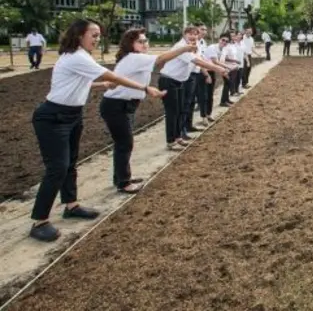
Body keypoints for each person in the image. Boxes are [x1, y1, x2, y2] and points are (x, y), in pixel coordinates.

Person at [29, 19, 166, 242]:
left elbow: (78, 82)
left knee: (71, 162)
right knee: (57, 167)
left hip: (72, 115)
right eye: (93, 34)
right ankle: (39, 220)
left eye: (99, 35)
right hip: (52, 117)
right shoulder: (76, 56)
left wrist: (99, 86)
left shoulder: (80, 57)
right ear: (79, 34)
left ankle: (71, 205)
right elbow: (110, 75)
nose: (97, 38)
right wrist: (144, 87)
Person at [101, 28, 196, 194]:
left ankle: (122, 177)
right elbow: (160, 59)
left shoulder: (136, 58)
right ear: (130, 44)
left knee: (123, 144)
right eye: (141, 41)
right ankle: (123, 182)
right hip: (116, 105)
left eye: (146, 41)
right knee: (125, 143)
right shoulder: (134, 58)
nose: (145, 44)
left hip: (124, 105)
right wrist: (184, 49)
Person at [158, 26, 229, 151]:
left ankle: (178, 137)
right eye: (190, 34)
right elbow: (197, 61)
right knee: (172, 113)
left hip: (179, 81)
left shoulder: (193, 48)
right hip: (168, 80)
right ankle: (170, 141)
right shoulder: (182, 47)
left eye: (195, 34)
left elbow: (200, 59)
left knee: (180, 110)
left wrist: (209, 70)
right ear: (184, 34)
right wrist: (217, 69)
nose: (193, 36)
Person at [203, 34, 230, 122]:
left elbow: (217, 62)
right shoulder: (212, 47)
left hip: (211, 71)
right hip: (204, 71)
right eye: (223, 40)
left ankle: (208, 114)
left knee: (210, 94)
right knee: (205, 95)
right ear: (219, 39)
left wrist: (224, 68)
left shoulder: (222, 49)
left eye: (226, 41)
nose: (224, 42)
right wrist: (226, 68)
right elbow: (215, 61)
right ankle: (204, 116)